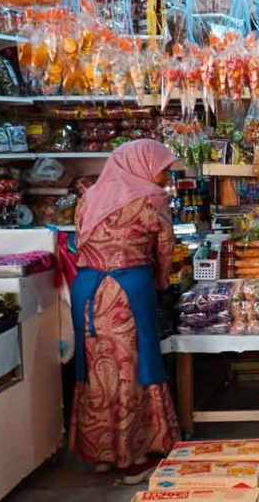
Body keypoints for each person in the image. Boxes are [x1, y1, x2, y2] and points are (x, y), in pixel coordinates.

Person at [69, 139, 180, 484]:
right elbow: (164, 248)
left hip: (87, 290)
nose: (166, 176)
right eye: (164, 169)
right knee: (133, 366)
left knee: (95, 368)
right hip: (127, 291)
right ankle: (132, 458)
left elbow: (79, 243)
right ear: (143, 165)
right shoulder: (152, 199)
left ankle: (101, 453)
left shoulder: (89, 197)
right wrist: (161, 282)